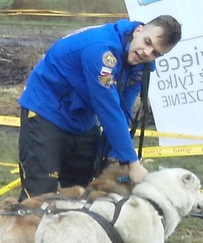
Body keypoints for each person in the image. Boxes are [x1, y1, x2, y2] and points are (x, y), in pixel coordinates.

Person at [17, 15, 181, 199]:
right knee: (40, 196)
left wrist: (115, 152)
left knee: (85, 193)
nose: (146, 53)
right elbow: (108, 107)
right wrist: (132, 162)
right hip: (45, 110)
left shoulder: (141, 65)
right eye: (147, 42)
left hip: (83, 119)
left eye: (155, 53)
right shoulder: (101, 50)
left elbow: (124, 107)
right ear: (138, 30)